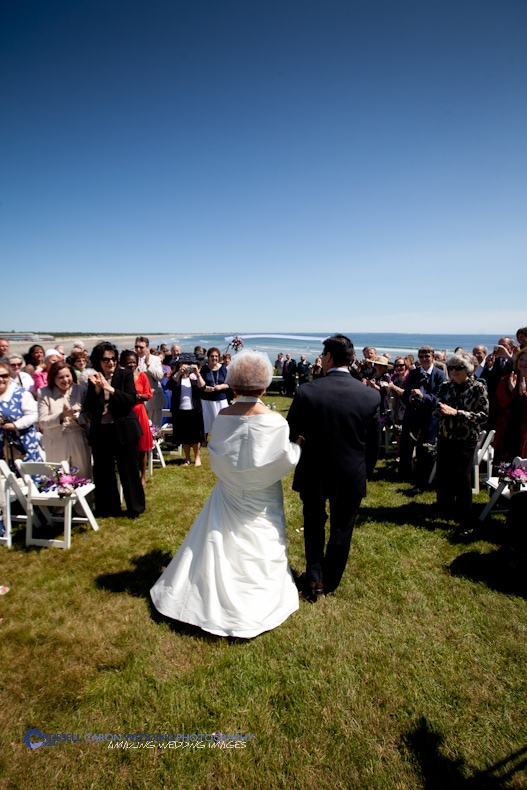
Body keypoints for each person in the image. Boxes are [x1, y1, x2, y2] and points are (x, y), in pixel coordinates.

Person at [150, 350, 301, 638]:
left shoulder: (223, 417)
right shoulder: (275, 421)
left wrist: (235, 478)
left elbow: (217, 457)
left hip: (230, 491)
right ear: (264, 385)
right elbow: (284, 459)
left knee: (219, 539)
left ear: (233, 384)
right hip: (263, 494)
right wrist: (299, 446)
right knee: (263, 539)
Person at [287, 335, 381, 600]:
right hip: (351, 473)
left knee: (314, 523)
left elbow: (291, 430)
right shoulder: (369, 395)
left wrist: (302, 440)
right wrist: (366, 472)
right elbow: (373, 445)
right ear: (351, 360)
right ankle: (330, 580)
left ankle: (315, 579)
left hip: (314, 470)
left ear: (328, 356)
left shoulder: (307, 390)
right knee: (342, 529)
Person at [84, 343, 145, 519]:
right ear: (98, 361)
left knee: (129, 470)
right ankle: (108, 508)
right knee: (103, 471)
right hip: (101, 431)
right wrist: (96, 389)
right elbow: (89, 407)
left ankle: (135, 507)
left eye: (113, 358)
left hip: (124, 430)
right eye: (106, 359)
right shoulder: (93, 378)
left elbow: (130, 399)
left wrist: (109, 388)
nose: (110, 362)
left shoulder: (125, 375)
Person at [434, 352, 489, 537]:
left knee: (462, 478)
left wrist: (458, 413)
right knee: (443, 474)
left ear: (468, 369)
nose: (454, 371)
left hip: (465, 439)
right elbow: (437, 408)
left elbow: (483, 416)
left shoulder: (478, 388)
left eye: (458, 368)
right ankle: (444, 508)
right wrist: (439, 410)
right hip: (445, 436)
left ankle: (465, 519)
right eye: (451, 368)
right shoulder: (445, 386)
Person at [37, 361, 91, 480]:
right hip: (56, 440)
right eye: (60, 377)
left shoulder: (81, 391)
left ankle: (84, 499)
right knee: (59, 478)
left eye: (68, 376)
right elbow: (42, 421)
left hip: (79, 438)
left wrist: (77, 417)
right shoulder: (45, 393)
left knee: (82, 477)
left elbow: (90, 414)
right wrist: (61, 416)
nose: (65, 380)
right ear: (53, 378)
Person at [399, 346, 446, 483]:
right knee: (407, 445)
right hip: (412, 413)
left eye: (427, 356)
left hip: (429, 415)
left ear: (433, 357)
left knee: (425, 446)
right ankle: (405, 474)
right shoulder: (413, 374)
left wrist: (423, 396)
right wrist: (409, 398)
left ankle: (423, 476)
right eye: (421, 356)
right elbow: (406, 392)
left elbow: (439, 397)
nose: (424, 359)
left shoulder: (439, 375)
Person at [120, 350, 153, 487]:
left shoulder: (142, 376)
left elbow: (148, 395)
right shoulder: (120, 377)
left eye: (134, 362)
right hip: (126, 412)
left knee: (142, 446)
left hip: (139, 411)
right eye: (128, 363)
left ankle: (143, 476)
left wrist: (136, 396)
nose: (132, 365)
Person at [0, 361, 42, 466]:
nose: (0, 379)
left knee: (29, 476)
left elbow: (34, 415)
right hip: (2, 446)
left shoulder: (21, 394)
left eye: (4, 376)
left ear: (9, 376)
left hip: (22, 444)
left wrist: (15, 425)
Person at [167, 356, 206, 466]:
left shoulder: (194, 377)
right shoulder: (177, 377)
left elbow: (202, 387)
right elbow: (169, 385)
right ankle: (187, 457)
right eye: (184, 364)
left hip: (194, 409)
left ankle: (197, 457)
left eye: (189, 364)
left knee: (196, 435)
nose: (187, 366)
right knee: (184, 435)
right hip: (180, 410)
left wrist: (197, 374)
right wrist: (178, 373)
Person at [493, 346, 527, 464]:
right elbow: (500, 403)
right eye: (521, 359)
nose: (523, 363)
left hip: (524, 434)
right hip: (507, 430)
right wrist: (512, 391)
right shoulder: (506, 380)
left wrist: (523, 394)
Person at [135, 336, 165, 428]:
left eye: (141, 347)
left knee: (154, 428)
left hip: (153, 399)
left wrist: (148, 366)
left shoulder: (155, 359)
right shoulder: (132, 359)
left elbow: (160, 377)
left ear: (147, 348)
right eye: (136, 347)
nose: (138, 349)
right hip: (137, 400)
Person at [200, 347, 229, 439]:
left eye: (216, 356)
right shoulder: (204, 369)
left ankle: (221, 439)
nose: (214, 358)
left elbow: (229, 384)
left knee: (222, 421)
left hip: (221, 399)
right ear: (208, 357)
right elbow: (199, 384)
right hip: (206, 400)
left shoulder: (223, 368)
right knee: (206, 421)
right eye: (212, 356)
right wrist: (205, 388)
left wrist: (221, 387)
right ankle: (204, 440)